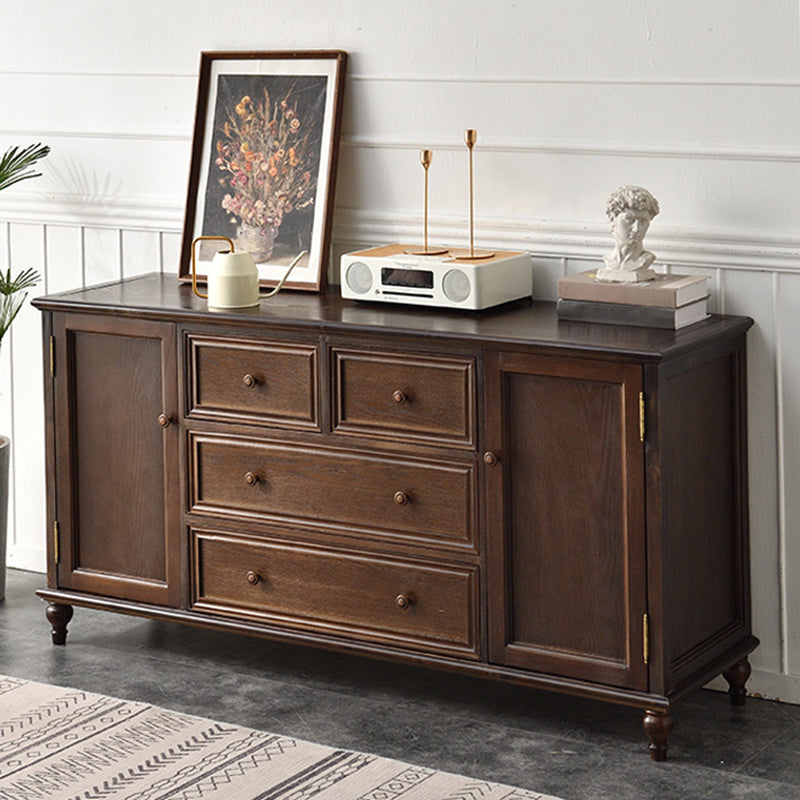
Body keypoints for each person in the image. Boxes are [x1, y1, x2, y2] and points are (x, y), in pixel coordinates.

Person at [596, 185, 660, 282]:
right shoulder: (609, 260)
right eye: (629, 220)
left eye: (643, 221)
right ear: (613, 219)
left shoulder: (645, 259)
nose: (637, 228)